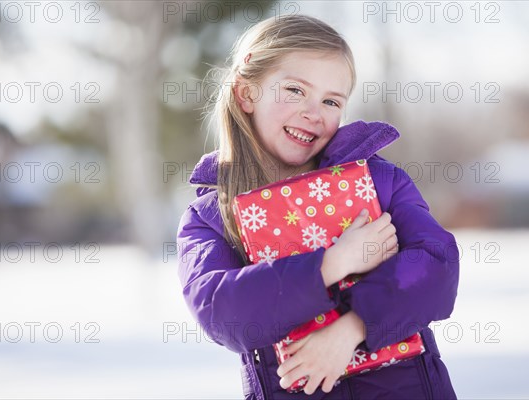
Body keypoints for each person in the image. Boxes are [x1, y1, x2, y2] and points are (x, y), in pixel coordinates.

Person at [176, 14, 459, 399]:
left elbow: (437, 263)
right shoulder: (211, 217)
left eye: (331, 100)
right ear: (246, 94)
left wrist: (354, 328)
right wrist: (333, 263)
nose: (314, 112)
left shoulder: (376, 179)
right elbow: (221, 312)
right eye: (295, 90)